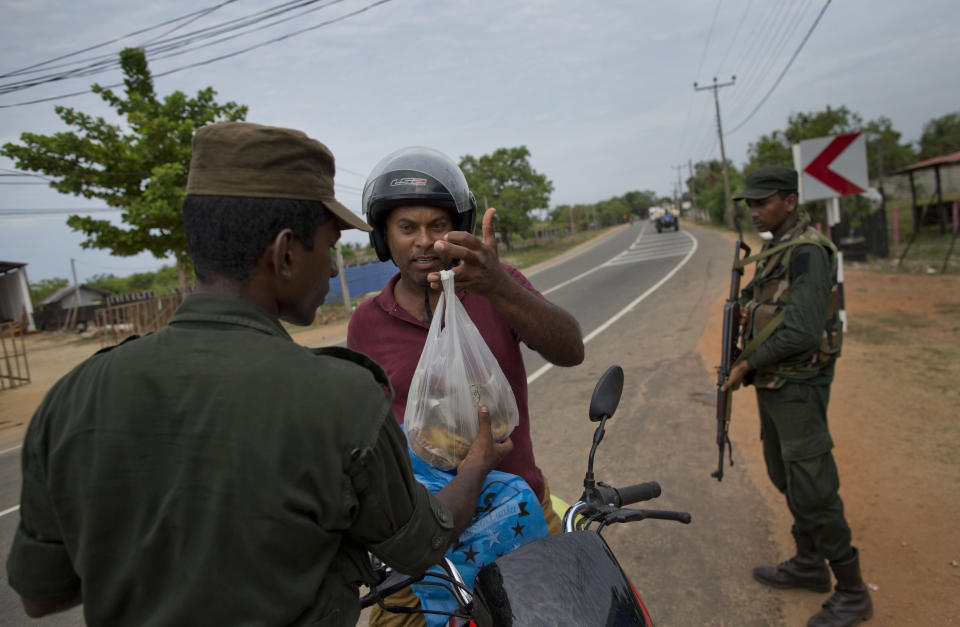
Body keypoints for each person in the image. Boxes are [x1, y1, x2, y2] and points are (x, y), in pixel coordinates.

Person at [6, 122, 511, 627]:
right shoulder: (338, 399)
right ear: (286, 252)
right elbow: (420, 544)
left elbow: (41, 593)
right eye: (329, 245)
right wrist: (476, 465)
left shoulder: (73, 396)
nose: (334, 271)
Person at [347, 146, 584, 625]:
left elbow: (570, 350)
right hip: (425, 532)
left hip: (518, 511)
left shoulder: (496, 286)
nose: (424, 241)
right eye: (406, 228)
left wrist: (497, 284)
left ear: (459, 229)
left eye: (437, 226)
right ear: (384, 238)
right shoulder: (367, 324)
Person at [722, 165, 872, 627]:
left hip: (798, 385)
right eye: (749, 204)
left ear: (790, 201)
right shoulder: (776, 248)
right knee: (785, 473)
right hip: (774, 383)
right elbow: (754, 298)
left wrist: (746, 362)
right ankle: (809, 564)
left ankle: (852, 590)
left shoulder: (808, 252)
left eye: (762, 203)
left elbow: (804, 330)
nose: (754, 211)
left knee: (813, 485)